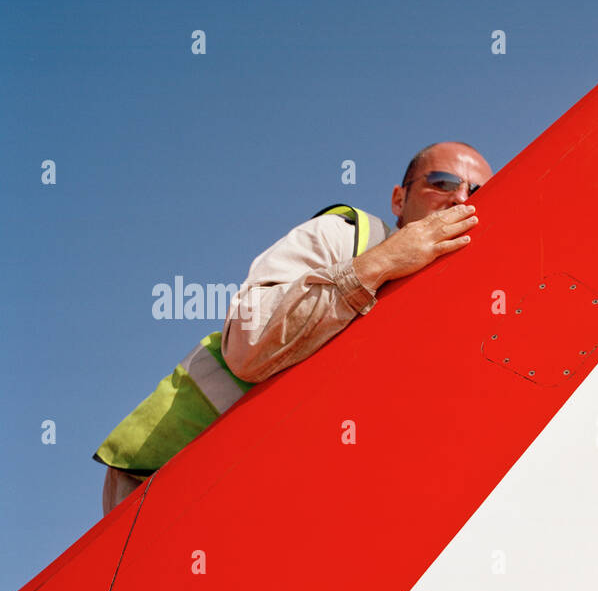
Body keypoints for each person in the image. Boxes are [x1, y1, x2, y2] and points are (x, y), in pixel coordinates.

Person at [96, 142, 491, 514]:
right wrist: (381, 262)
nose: (460, 198)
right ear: (398, 199)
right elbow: (247, 346)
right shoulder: (350, 236)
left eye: (478, 191)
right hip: (173, 471)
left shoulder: (446, 312)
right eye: (442, 183)